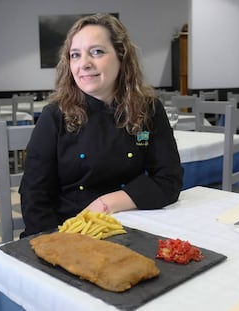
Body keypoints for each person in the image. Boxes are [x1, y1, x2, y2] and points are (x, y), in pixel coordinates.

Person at [19, 13, 183, 237]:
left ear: (121, 56)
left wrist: (106, 203)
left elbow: (169, 180)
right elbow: (34, 195)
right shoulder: (54, 116)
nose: (84, 64)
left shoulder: (149, 110)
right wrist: (53, 243)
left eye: (96, 52)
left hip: (134, 228)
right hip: (70, 231)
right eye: (75, 55)